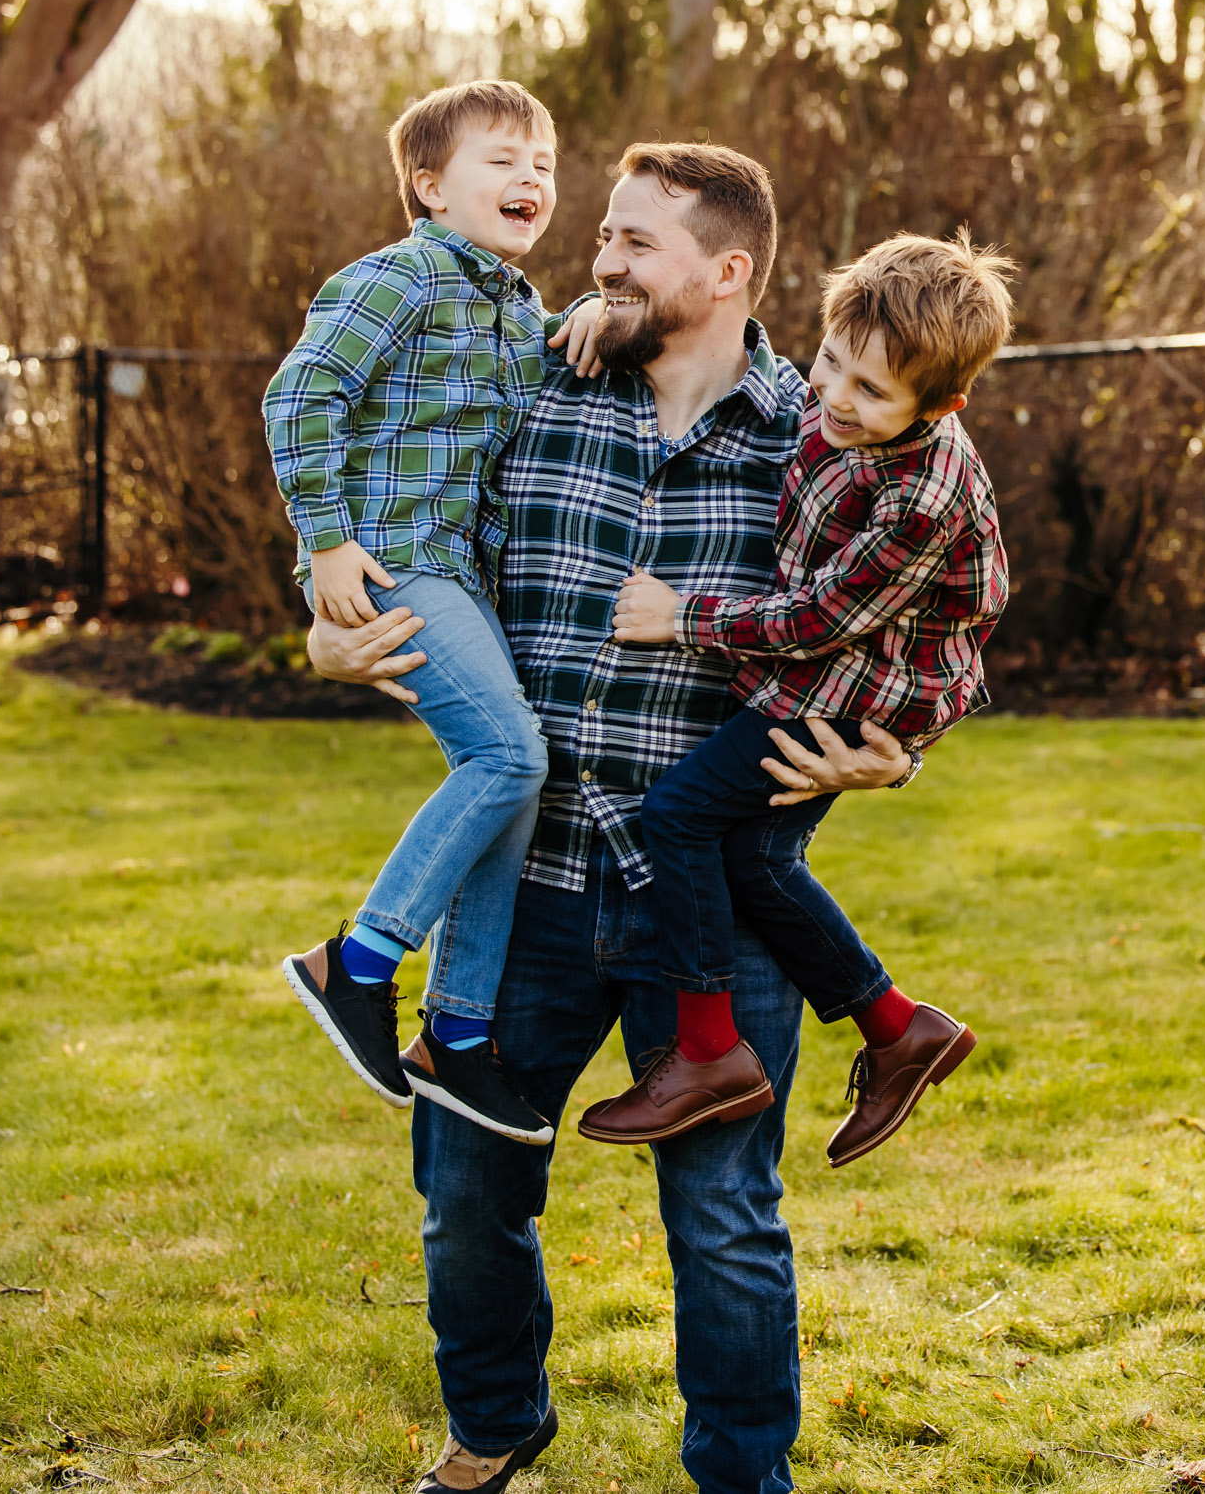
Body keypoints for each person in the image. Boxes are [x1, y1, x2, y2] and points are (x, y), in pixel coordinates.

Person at [308, 142, 915, 1494]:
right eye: (604, 238)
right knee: (464, 1183)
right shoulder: (538, 382)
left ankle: (743, 1478)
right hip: (524, 889)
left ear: (726, 271)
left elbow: (908, 611)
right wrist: (328, 623)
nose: (602, 261)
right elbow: (392, 493)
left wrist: (891, 755)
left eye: (636, 243)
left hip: (712, 906)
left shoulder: (821, 441)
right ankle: (495, 1424)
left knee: (722, 1219)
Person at [575, 231, 1014, 1169]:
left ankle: (705, 1051)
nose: (835, 399)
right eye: (832, 365)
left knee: (682, 815)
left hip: (859, 684)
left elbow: (821, 619)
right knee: (754, 857)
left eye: (871, 392)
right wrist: (598, 317)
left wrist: (680, 618)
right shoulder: (838, 406)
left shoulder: (923, 499)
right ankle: (898, 1029)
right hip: (827, 671)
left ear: (941, 405)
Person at [263, 79, 561, 1145]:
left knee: (507, 780)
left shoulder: (518, 308)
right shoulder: (399, 276)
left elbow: (534, 385)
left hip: (456, 571)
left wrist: (597, 324)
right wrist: (327, 537)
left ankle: (460, 1034)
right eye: (503, 160)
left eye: (544, 165)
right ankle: (359, 957)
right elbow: (301, 394)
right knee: (510, 758)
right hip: (387, 562)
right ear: (430, 187)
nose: (531, 179)